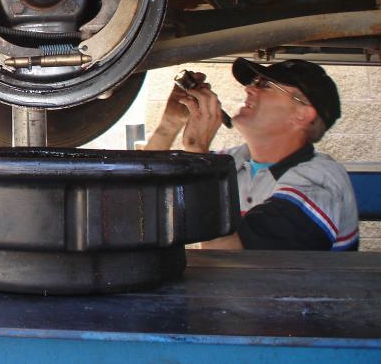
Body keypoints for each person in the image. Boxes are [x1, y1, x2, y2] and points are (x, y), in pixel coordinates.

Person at [145, 57, 359, 251]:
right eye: (253, 82)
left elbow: (230, 265)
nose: (248, 89)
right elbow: (142, 202)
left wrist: (196, 149)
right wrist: (168, 126)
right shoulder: (232, 162)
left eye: (264, 85)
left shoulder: (319, 182)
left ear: (302, 114)